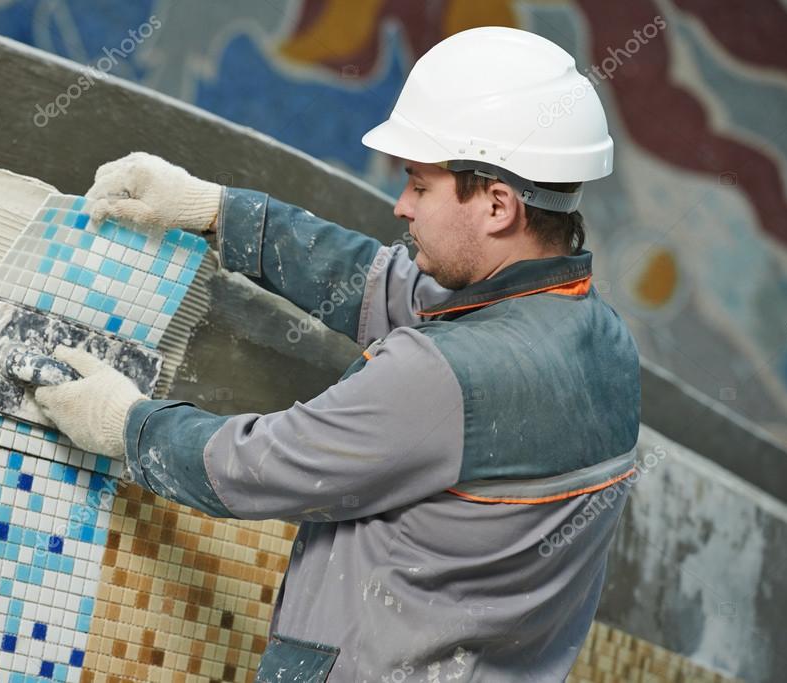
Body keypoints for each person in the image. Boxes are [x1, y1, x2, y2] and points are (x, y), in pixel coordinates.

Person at [32, 26, 640, 682]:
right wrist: (215, 212)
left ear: (496, 205)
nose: (402, 206)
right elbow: (379, 284)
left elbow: (254, 467)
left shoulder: (441, 377)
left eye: (419, 185)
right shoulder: (599, 345)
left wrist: (126, 425)